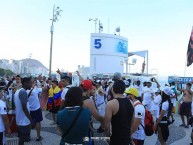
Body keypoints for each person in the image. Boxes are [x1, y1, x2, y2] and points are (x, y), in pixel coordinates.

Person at [104, 80, 134, 145]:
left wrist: (107, 137)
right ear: (124, 90)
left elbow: (107, 125)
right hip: (127, 139)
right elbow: (132, 121)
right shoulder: (131, 103)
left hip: (116, 139)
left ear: (112, 89)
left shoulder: (110, 104)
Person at [14, 77, 33, 145]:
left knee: (22, 138)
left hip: (20, 119)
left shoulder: (18, 91)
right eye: (30, 83)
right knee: (22, 139)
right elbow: (24, 108)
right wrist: (31, 119)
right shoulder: (23, 92)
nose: (31, 85)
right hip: (23, 121)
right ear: (25, 83)